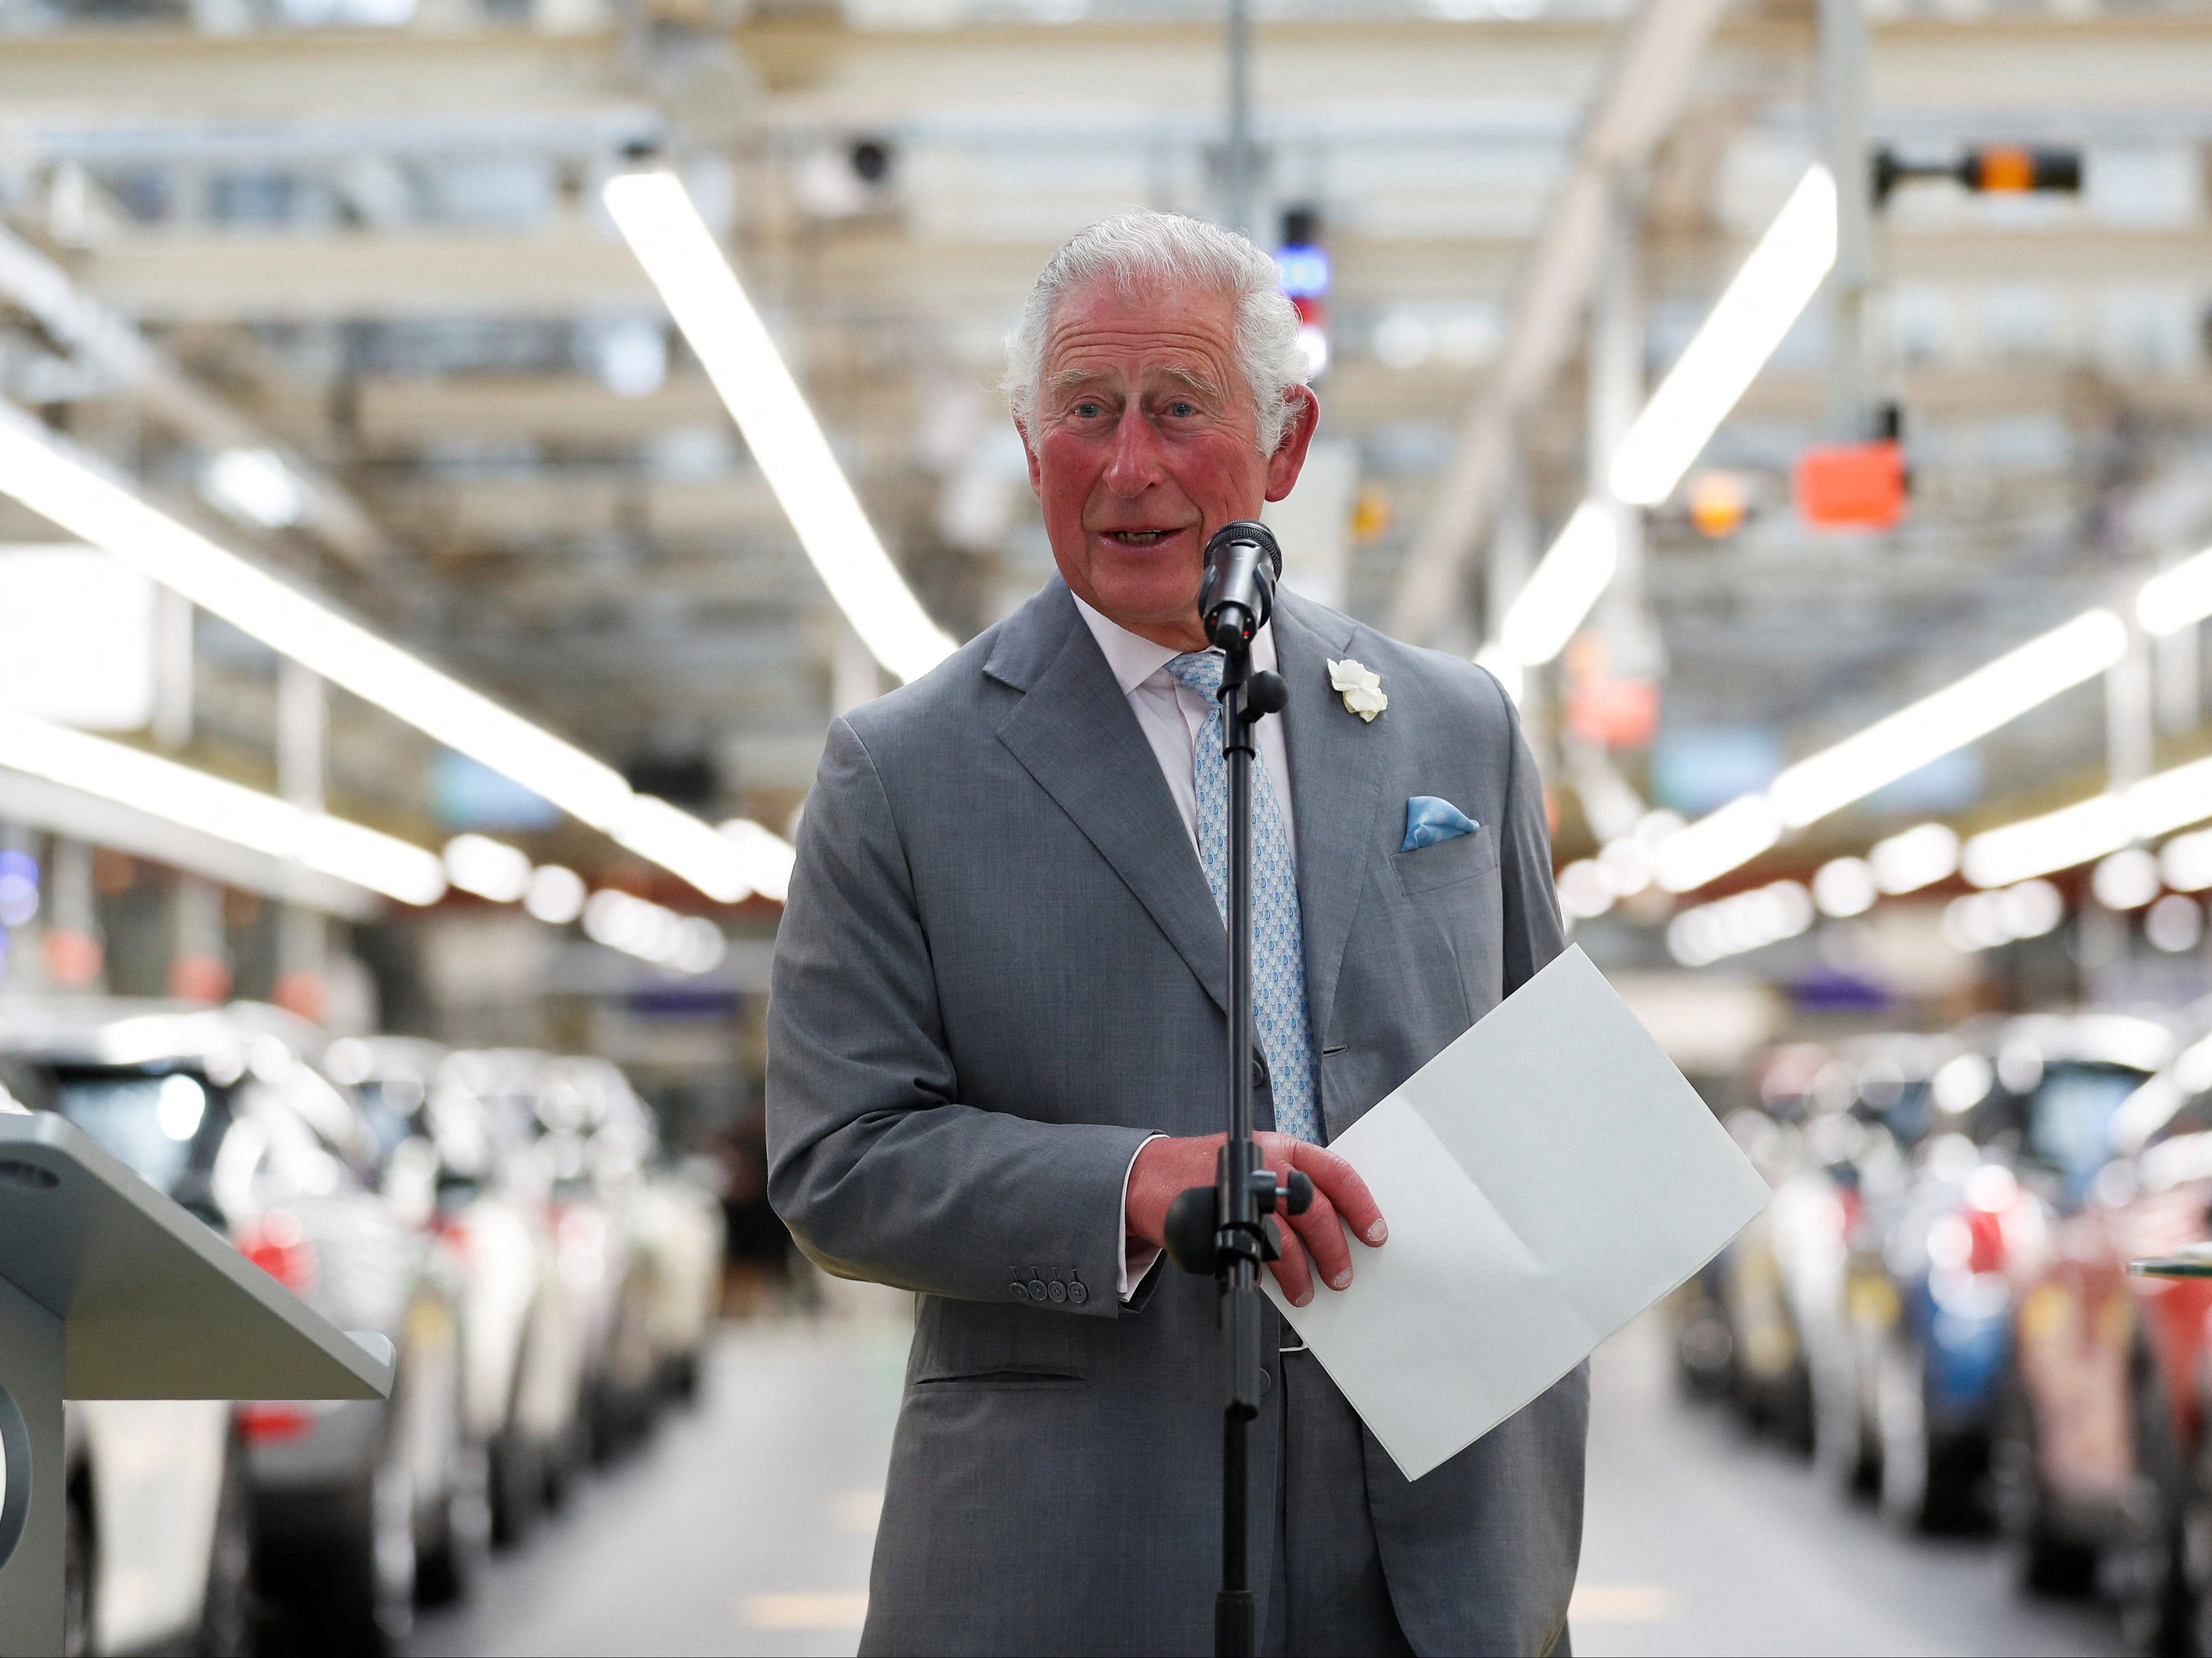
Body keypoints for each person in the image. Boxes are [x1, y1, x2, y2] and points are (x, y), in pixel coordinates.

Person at [768, 210, 1583, 1656]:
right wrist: (1141, 1184)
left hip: (1434, 1550)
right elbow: (839, 1159)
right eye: (1086, 411)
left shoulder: (1458, 729)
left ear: (1284, 443)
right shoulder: (902, 772)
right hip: (1074, 1552)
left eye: (1178, 408)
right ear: (1031, 446)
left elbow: (1549, 1101)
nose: (1128, 465)